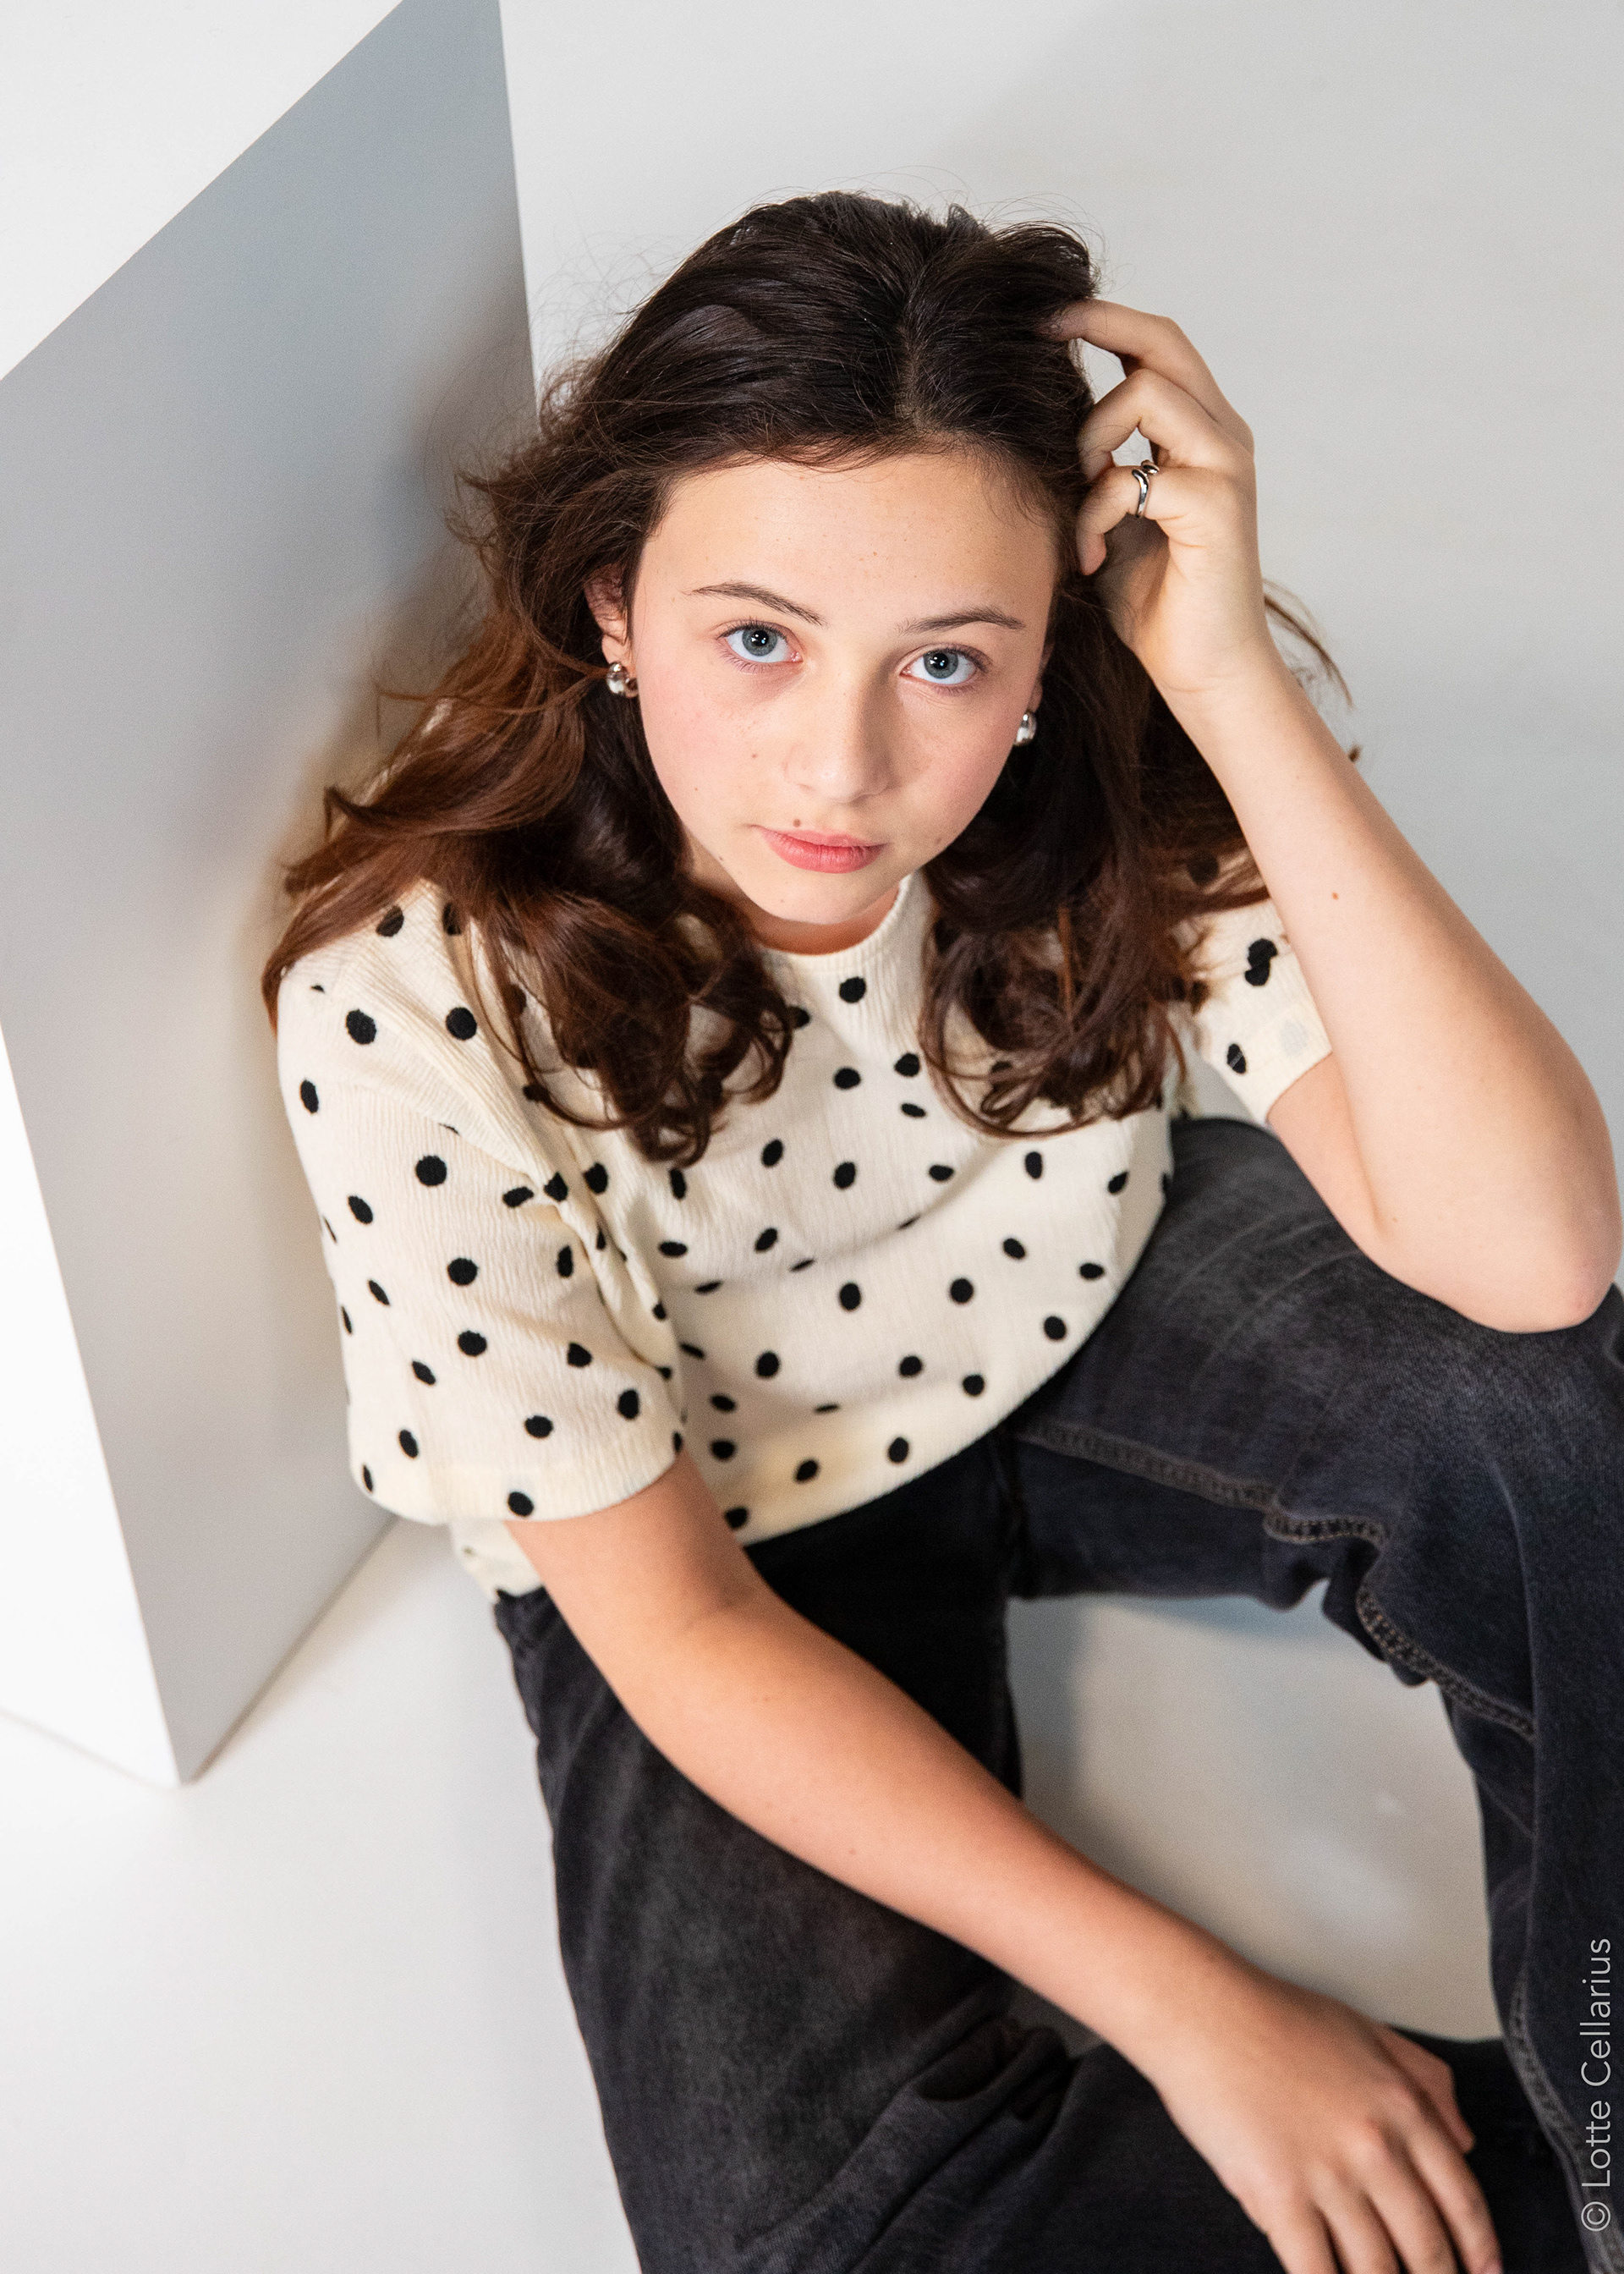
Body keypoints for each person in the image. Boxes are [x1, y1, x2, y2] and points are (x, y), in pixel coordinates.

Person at [263, 194, 1622, 2274]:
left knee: (1557, 1422)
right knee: (841, 2245)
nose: (843, 763)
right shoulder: (405, 999)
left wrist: (1221, 675)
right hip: (731, 1547)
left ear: (1042, 651)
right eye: (757, 639)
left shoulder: (1082, 779)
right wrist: (1196, 2008)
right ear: (614, 600)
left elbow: (1537, 1264)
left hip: (1099, 1303)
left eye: (949, 661)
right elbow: (677, 1633)